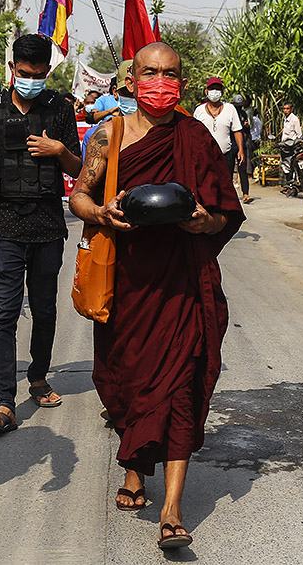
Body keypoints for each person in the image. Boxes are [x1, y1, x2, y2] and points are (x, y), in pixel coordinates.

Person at [68, 42, 244, 550]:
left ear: (182, 82)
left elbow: (224, 212)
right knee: (128, 380)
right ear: (130, 80)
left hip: (185, 283)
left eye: (170, 74)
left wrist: (200, 222)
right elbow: (80, 193)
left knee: (182, 383)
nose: (161, 83)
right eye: (151, 73)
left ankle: (171, 507)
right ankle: (133, 469)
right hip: (129, 284)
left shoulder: (197, 138)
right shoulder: (111, 133)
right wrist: (101, 214)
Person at [0, 33, 82, 433]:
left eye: (38, 74)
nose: (31, 79)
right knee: (3, 314)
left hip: (48, 227)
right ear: (12, 69)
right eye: (24, 72)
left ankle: (37, 377)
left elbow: (77, 168)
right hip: (2, 226)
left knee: (45, 310)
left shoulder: (60, 110)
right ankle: (3, 401)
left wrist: (58, 151)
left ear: (47, 72)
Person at [193, 77, 246, 198]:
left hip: (225, 155)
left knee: (225, 185)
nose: (214, 92)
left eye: (217, 89)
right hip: (204, 156)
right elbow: (194, 132)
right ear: (206, 92)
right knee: (205, 185)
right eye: (212, 89)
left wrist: (241, 150)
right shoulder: (199, 110)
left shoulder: (230, 109)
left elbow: (237, 130)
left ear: (223, 91)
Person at [232, 94, 255, 204]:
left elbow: (247, 130)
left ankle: (245, 193)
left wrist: (246, 127)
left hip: (241, 145)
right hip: (231, 145)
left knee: (243, 170)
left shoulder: (243, 114)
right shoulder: (230, 113)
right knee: (228, 170)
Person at [278, 102, 302, 191]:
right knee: (286, 165)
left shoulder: (294, 119)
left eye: (287, 109)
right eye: (284, 109)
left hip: (292, 145)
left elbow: (298, 133)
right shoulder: (286, 119)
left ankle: (293, 183)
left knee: (289, 164)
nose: (285, 111)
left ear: (291, 109)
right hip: (285, 146)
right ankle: (289, 185)